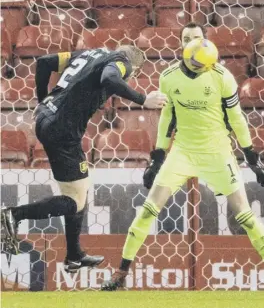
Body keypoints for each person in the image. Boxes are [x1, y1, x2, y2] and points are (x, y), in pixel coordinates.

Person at [102, 24, 264, 291]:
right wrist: (157, 156)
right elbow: (167, 117)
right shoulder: (168, 77)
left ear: (206, 43)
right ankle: (121, 274)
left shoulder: (222, 76)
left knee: (245, 215)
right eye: (187, 39)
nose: (192, 42)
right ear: (181, 44)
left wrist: (251, 156)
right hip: (183, 152)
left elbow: (236, 118)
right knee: (147, 210)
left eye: (197, 38)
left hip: (218, 152)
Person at [1, 45, 166, 273]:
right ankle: (13, 215)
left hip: (45, 118)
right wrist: (142, 98)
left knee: (78, 190)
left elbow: (44, 62)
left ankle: (74, 255)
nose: (129, 75)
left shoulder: (89, 54)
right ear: (134, 67)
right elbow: (110, 78)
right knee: (75, 200)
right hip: (63, 129)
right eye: (133, 74)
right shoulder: (121, 62)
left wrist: (42, 99)